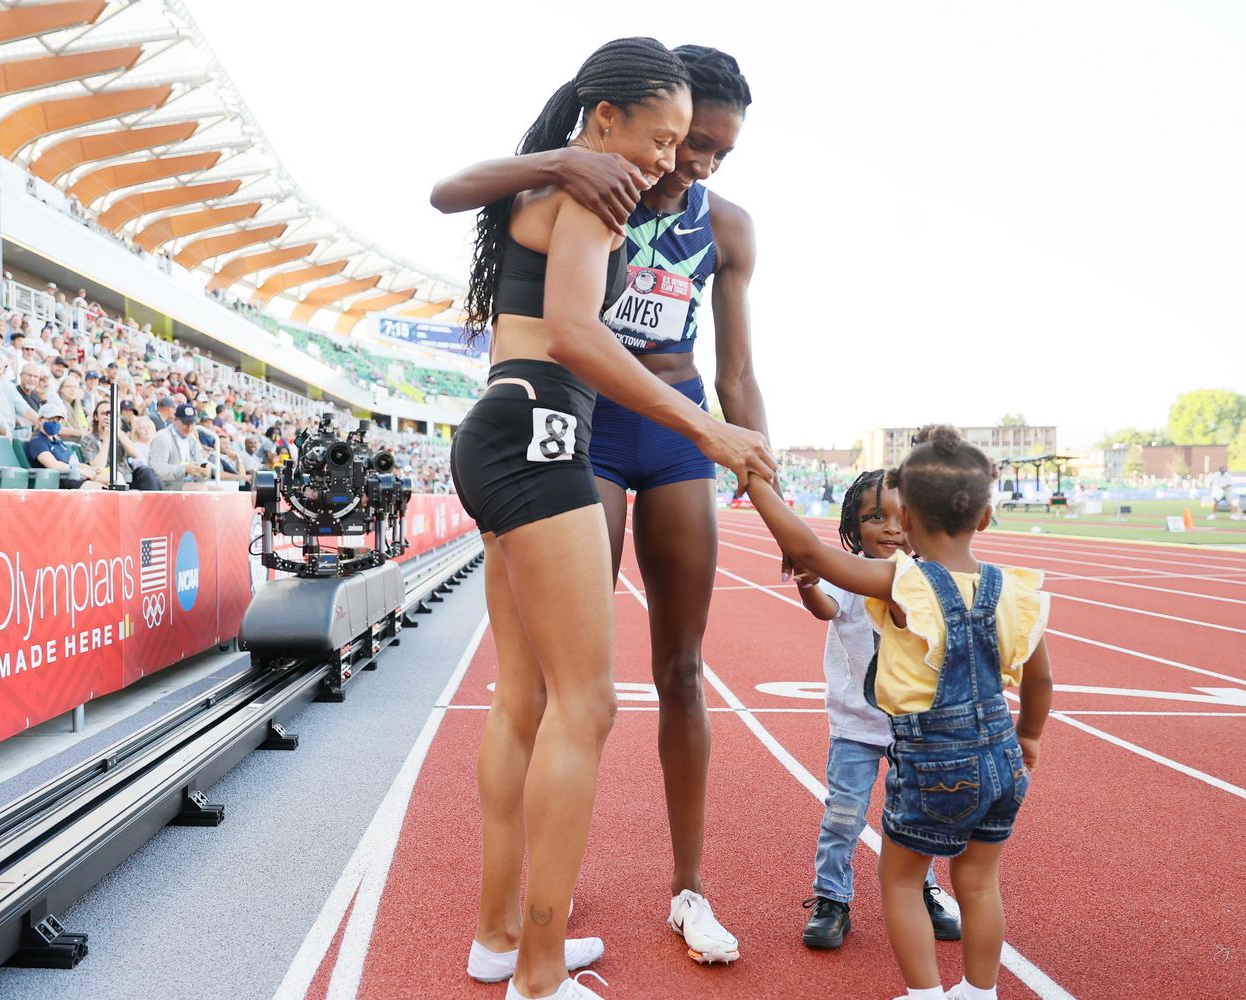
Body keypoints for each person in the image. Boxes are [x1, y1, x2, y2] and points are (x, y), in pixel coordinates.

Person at [439, 38, 773, 1000]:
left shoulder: (557, 181)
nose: (670, 160)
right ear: (606, 118)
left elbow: (454, 191)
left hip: (502, 427)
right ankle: (539, 975)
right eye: (662, 137)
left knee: (521, 701)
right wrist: (706, 429)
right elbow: (582, 336)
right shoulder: (591, 191)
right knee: (588, 705)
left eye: (685, 144)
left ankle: (501, 938)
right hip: (544, 435)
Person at [744, 425, 1053, 1000]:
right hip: (1002, 758)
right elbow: (1041, 679)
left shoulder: (903, 582)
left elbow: (811, 553)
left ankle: (925, 994)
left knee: (902, 880)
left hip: (935, 756)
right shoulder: (1016, 590)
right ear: (985, 517)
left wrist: (757, 481)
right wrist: (1028, 737)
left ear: (905, 519)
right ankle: (980, 992)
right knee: (981, 882)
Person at [788, 470, 960, 949]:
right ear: (853, 526)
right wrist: (807, 584)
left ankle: (924, 890)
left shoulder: (929, 577)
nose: (890, 528)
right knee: (844, 814)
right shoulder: (851, 573)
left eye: (901, 518)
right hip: (855, 725)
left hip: (916, 728)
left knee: (915, 817)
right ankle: (832, 899)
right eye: (874, 517)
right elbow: (826, 608)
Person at [26, 400, 105, 489]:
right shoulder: (37, 441)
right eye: (51, 419)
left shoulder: (58, 441)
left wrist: (91, 469)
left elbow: (72, 463)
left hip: (75, 476)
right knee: (103, 490)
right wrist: (81, 471)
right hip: (62, 480)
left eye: (58, 420)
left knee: (113, 479)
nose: (55, 423)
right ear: (40, 420)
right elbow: (53, 464)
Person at [147, 402, 216, 489]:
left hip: (188, 484)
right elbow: (157, 470)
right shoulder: (162, 438)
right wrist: (184, 469)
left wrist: (204, 472)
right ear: (175, 420)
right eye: (185, 423)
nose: (189, 428)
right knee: (200, 490)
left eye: (192, 423)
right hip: (167, 487)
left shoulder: (192, 440)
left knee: (222, 493)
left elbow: (198, 465)